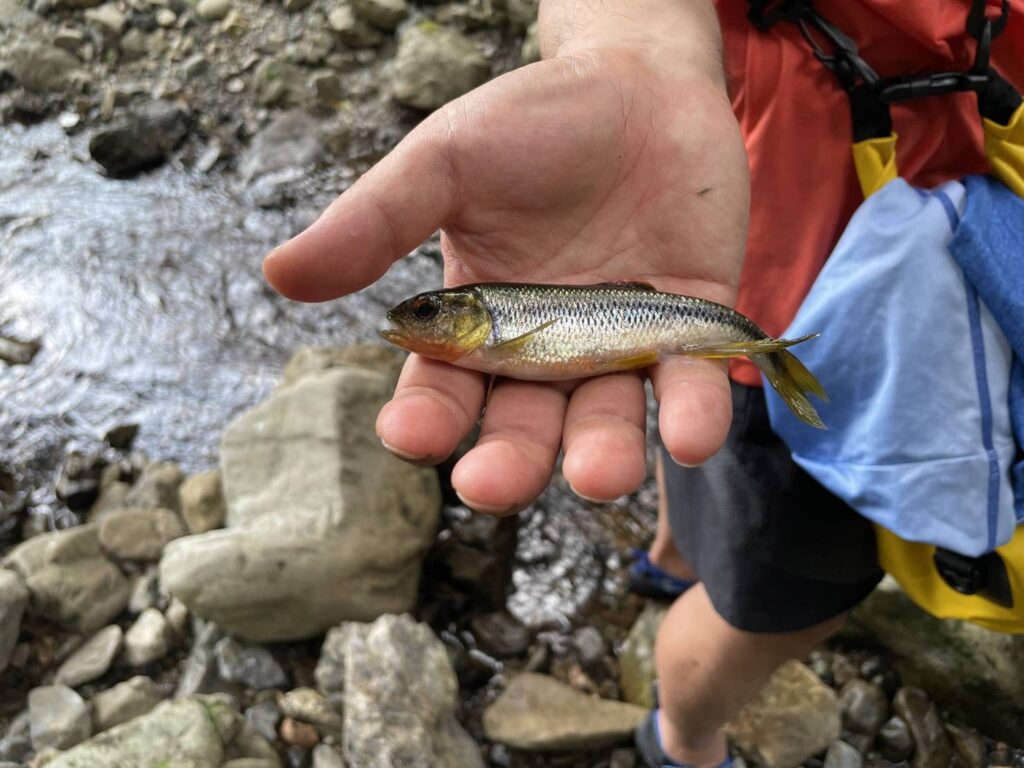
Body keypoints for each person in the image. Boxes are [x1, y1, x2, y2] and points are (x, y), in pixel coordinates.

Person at [264, 1, 1024, 766]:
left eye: (432, 314)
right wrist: (630, 42)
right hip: (762, 230)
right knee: (786, 596)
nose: (421, 322)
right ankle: (683, 735)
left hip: (949, 194)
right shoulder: (520, 306)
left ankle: (669, 559)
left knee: (699, 455)